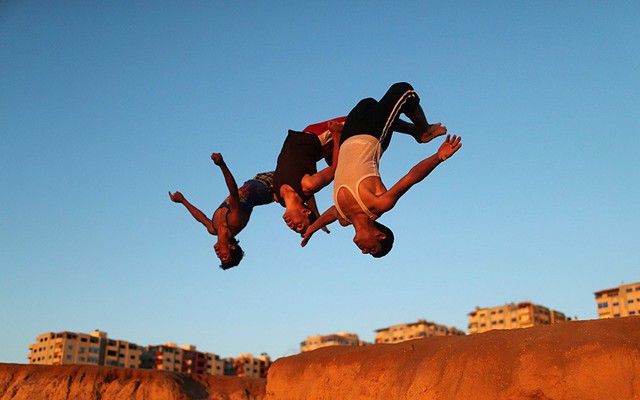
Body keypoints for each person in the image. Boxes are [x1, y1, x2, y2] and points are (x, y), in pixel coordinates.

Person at [301, 82, 462, 257]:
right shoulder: (378, 204)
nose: (364, 251)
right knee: (404, 91)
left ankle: (414, 132)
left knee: (367, 103)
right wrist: (438, 157)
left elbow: (330, 214)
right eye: (372, 249)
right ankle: (425, 131)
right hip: (372, 135)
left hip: (348, 136)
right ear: (379, 235)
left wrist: (311, 229)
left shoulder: (343, 218)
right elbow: (411, 178)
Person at [169, 152, 274, 270]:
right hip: (270, 187)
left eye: (220, 258)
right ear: (231, 247)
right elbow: (233, 193)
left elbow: (201, 218)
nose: (218, 255)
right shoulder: (234, 223)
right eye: (224, 256)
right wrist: (222, 165)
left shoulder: (213, 228)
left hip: (256, 180)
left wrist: (183, 201)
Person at [272, 117, 345, 234]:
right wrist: (336, 135)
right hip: (320, 136)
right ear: (305, 212)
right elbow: (333, 170)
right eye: (299, 225)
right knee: (364, 119)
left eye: (293, 229)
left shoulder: (278, 197)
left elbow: (302, 196)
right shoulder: (308, 185)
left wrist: (316, 213)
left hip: (305, 139)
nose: (292, 227)